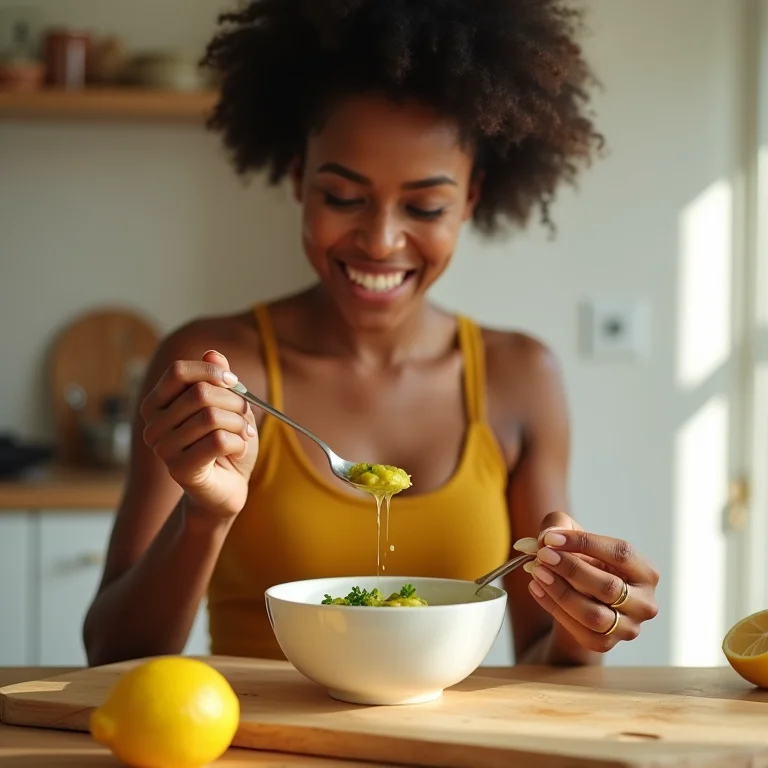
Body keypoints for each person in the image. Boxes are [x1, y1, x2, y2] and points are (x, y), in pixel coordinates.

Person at [83, 0, 659, 668]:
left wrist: (582, 619)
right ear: (298, 178)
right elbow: (110, 653)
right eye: (343, 197)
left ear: (471, 199)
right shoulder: (218, 370)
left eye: (425, 206)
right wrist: (206, 514)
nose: (381, 241)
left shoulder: (519, 375)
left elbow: (539, 652)